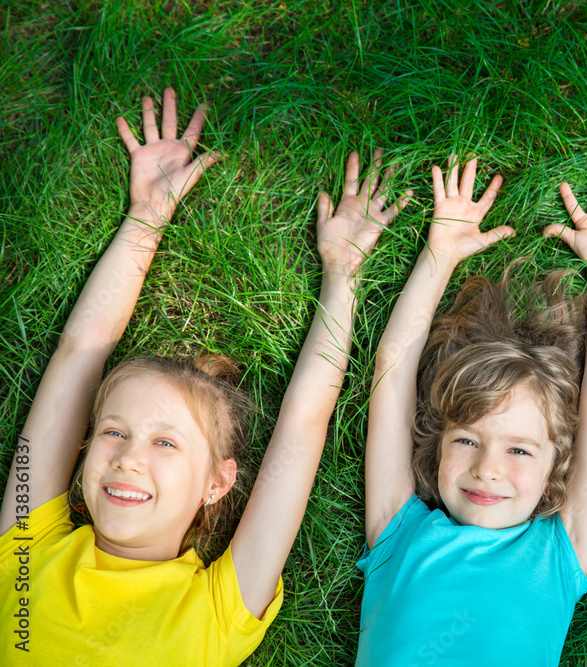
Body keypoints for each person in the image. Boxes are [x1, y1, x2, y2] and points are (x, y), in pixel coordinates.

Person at [0, 88, 409, 665]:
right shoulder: (24, 552)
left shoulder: (220, 609)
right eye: (114, 432)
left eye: (165, 442)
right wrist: (145, 217)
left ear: (217, 482)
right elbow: (79, 355)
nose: (127, 457)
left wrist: (343, 274)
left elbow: (303, 424)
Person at [358, 159, 587, 665]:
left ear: (559, 463)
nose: (487, 468)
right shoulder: (397, 532)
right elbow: (392, 371)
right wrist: (438, 255)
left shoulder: (562, 551)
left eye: (519, 449)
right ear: (437, 442)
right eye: (466, 440)